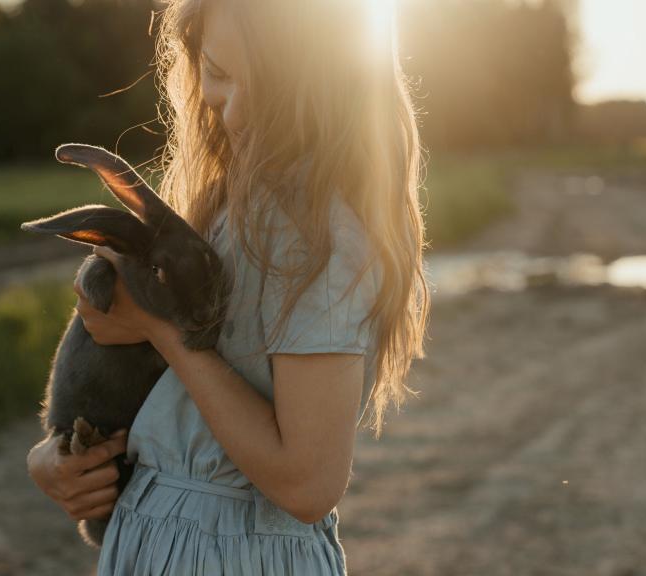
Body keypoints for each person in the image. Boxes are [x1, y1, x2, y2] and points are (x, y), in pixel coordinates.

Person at [26, 0, 429, 572]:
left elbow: (309, 484)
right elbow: (173, 412)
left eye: (266, 88)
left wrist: (160, 329)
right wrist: (56, 459)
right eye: (217, 72)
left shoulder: (320, 237)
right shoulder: (225, 208)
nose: (235, 114)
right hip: (154, 543)